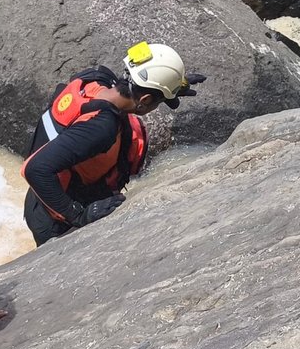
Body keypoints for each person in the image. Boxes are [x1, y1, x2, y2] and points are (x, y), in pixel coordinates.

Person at [23, 41, 204, 246]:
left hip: (49, 196)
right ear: (144, 99)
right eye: (159, 102)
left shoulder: (98, 79)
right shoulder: (101, 127)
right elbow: (35, 169)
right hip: (57, 218)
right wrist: (80, 216)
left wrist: (171, 86)